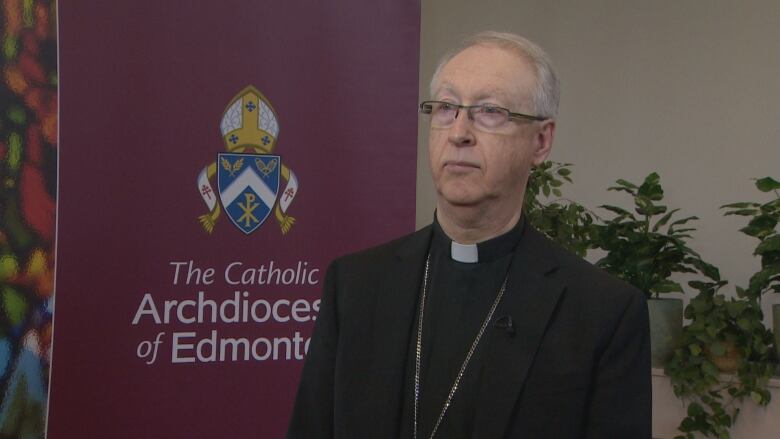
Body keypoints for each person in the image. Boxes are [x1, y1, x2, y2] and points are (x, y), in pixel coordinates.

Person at [287, 31, 651, 439]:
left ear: (541, 141)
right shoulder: (355, 285)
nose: (459, 132)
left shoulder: (602, 313)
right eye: (445, 108)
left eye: (489, 111)